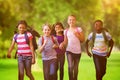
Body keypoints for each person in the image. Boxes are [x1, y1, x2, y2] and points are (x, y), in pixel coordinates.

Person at [60, 15, 85, 80]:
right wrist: (62, 44)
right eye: (70, 20)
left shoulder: (79, 29)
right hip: (69, 51)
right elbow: (65, 41)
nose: (72, 21)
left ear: (75, 21)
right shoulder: (66, 31)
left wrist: (77, 35)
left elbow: (82, 40)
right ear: (68, 21)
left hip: (77, 51)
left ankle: (75, 78)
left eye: (73, 19)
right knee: (70, 66)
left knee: (76, 68)